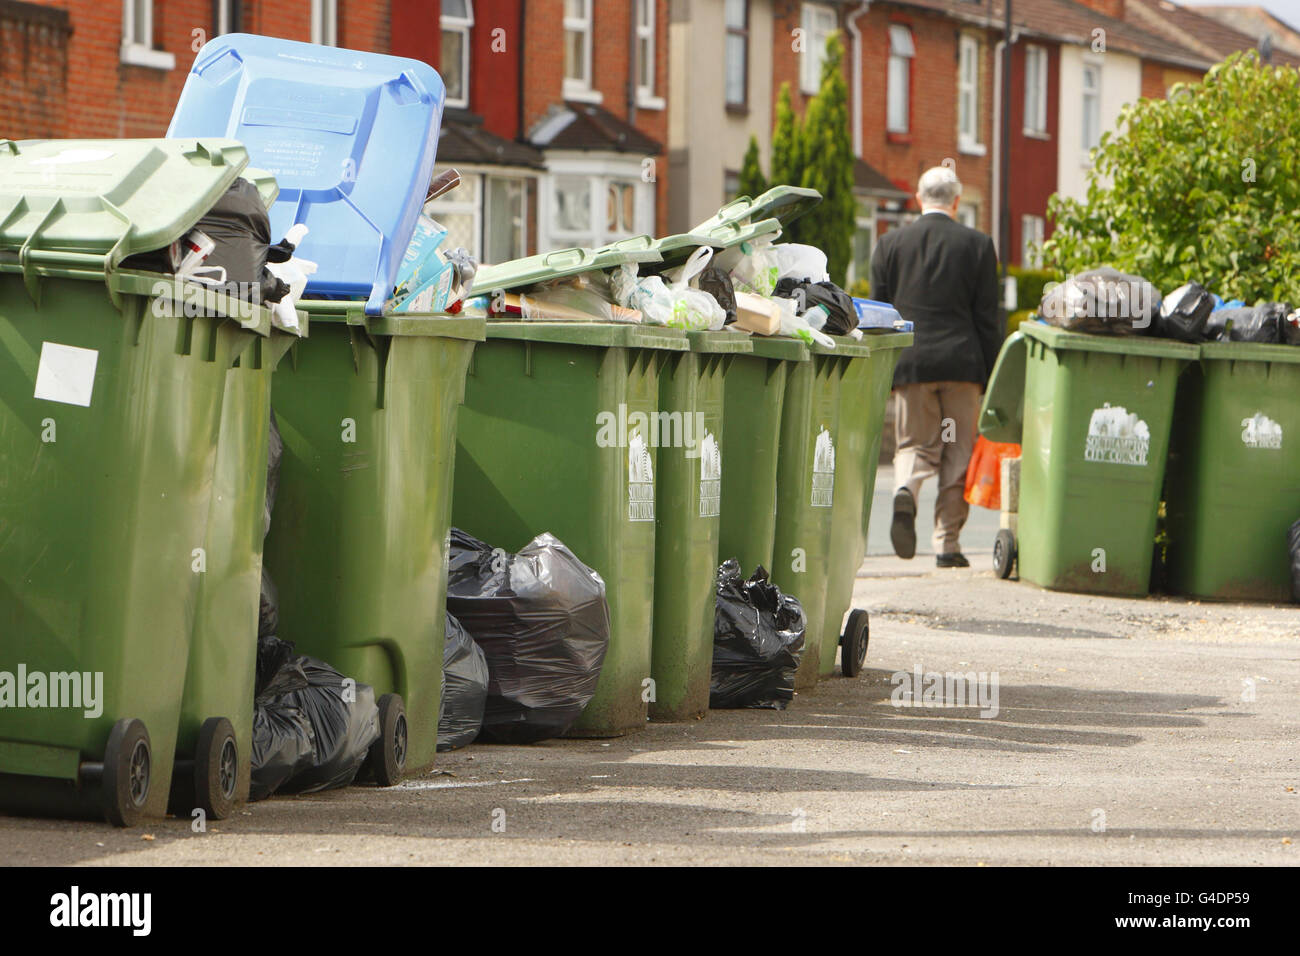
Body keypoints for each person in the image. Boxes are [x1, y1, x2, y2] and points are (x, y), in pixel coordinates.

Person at [869, 166, 1001, 568]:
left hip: (913, 363)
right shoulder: (978, 245)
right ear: (957, 202)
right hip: (962, 366)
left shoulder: (890, 244)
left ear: (917, 197)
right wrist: (993, 372)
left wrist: (885, 372)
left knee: (914, 445)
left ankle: (906, 488)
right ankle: (947, 545)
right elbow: (988, 318)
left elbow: (880, 314)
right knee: (957, 452)